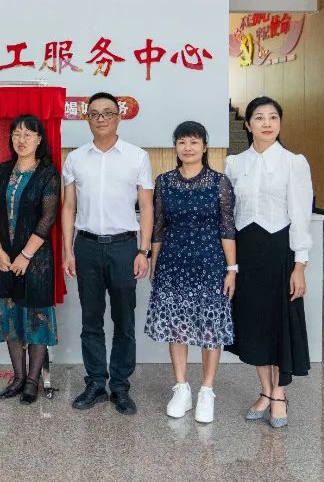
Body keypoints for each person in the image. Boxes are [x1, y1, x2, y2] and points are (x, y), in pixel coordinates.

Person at [62, 91, 154, 416]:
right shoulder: (75, 159)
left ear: (118, 117)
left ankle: (121, 386)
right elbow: (68, 206)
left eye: (107, 113)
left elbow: (146, 206)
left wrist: (143, 250)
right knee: (91, 319)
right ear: (87, 118)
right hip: (86, 246)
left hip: (125, 247)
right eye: (95, 114)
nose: (101, 119)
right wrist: (67, 250)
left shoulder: (137, 157)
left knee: (124, 320)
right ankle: (95, 383)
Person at [224, 96, 313, 429]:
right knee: (254, 323)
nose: (266, 123)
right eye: (259, 118)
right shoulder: (234, 163)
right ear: (248, 125)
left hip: (279, 251)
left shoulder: (294, 163)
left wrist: (299, 265)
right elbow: (227, 214)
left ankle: (279, 394)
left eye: (273, 117)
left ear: (280, 123)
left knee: (278, 322)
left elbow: (301, 215)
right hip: (246, 252)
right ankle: (264, 390)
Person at [144, 121, 237, 424]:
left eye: (194, 142)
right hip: (173, 263)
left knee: (211, 328)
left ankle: (207, 391)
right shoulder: (164, 181)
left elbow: (227, 228)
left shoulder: (219, 182)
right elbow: (159, 226)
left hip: (210, 264)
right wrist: (154, 261)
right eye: (182, 142)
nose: (188, 147)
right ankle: (181, 388)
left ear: (205, 147)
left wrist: (232, 269)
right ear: (176, 147)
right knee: (177, 326)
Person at [0, 114, 61, 405]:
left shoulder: (48, 173)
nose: (22, 139)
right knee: (10, 317)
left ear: (39, 139)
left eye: (28, 134)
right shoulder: (4, 170)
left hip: (36, 261)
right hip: (4, 259)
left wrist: (25, 256)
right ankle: (17, 377)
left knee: (36, 319)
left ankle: (32, 381)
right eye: (17, 133)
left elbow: (48, 218)